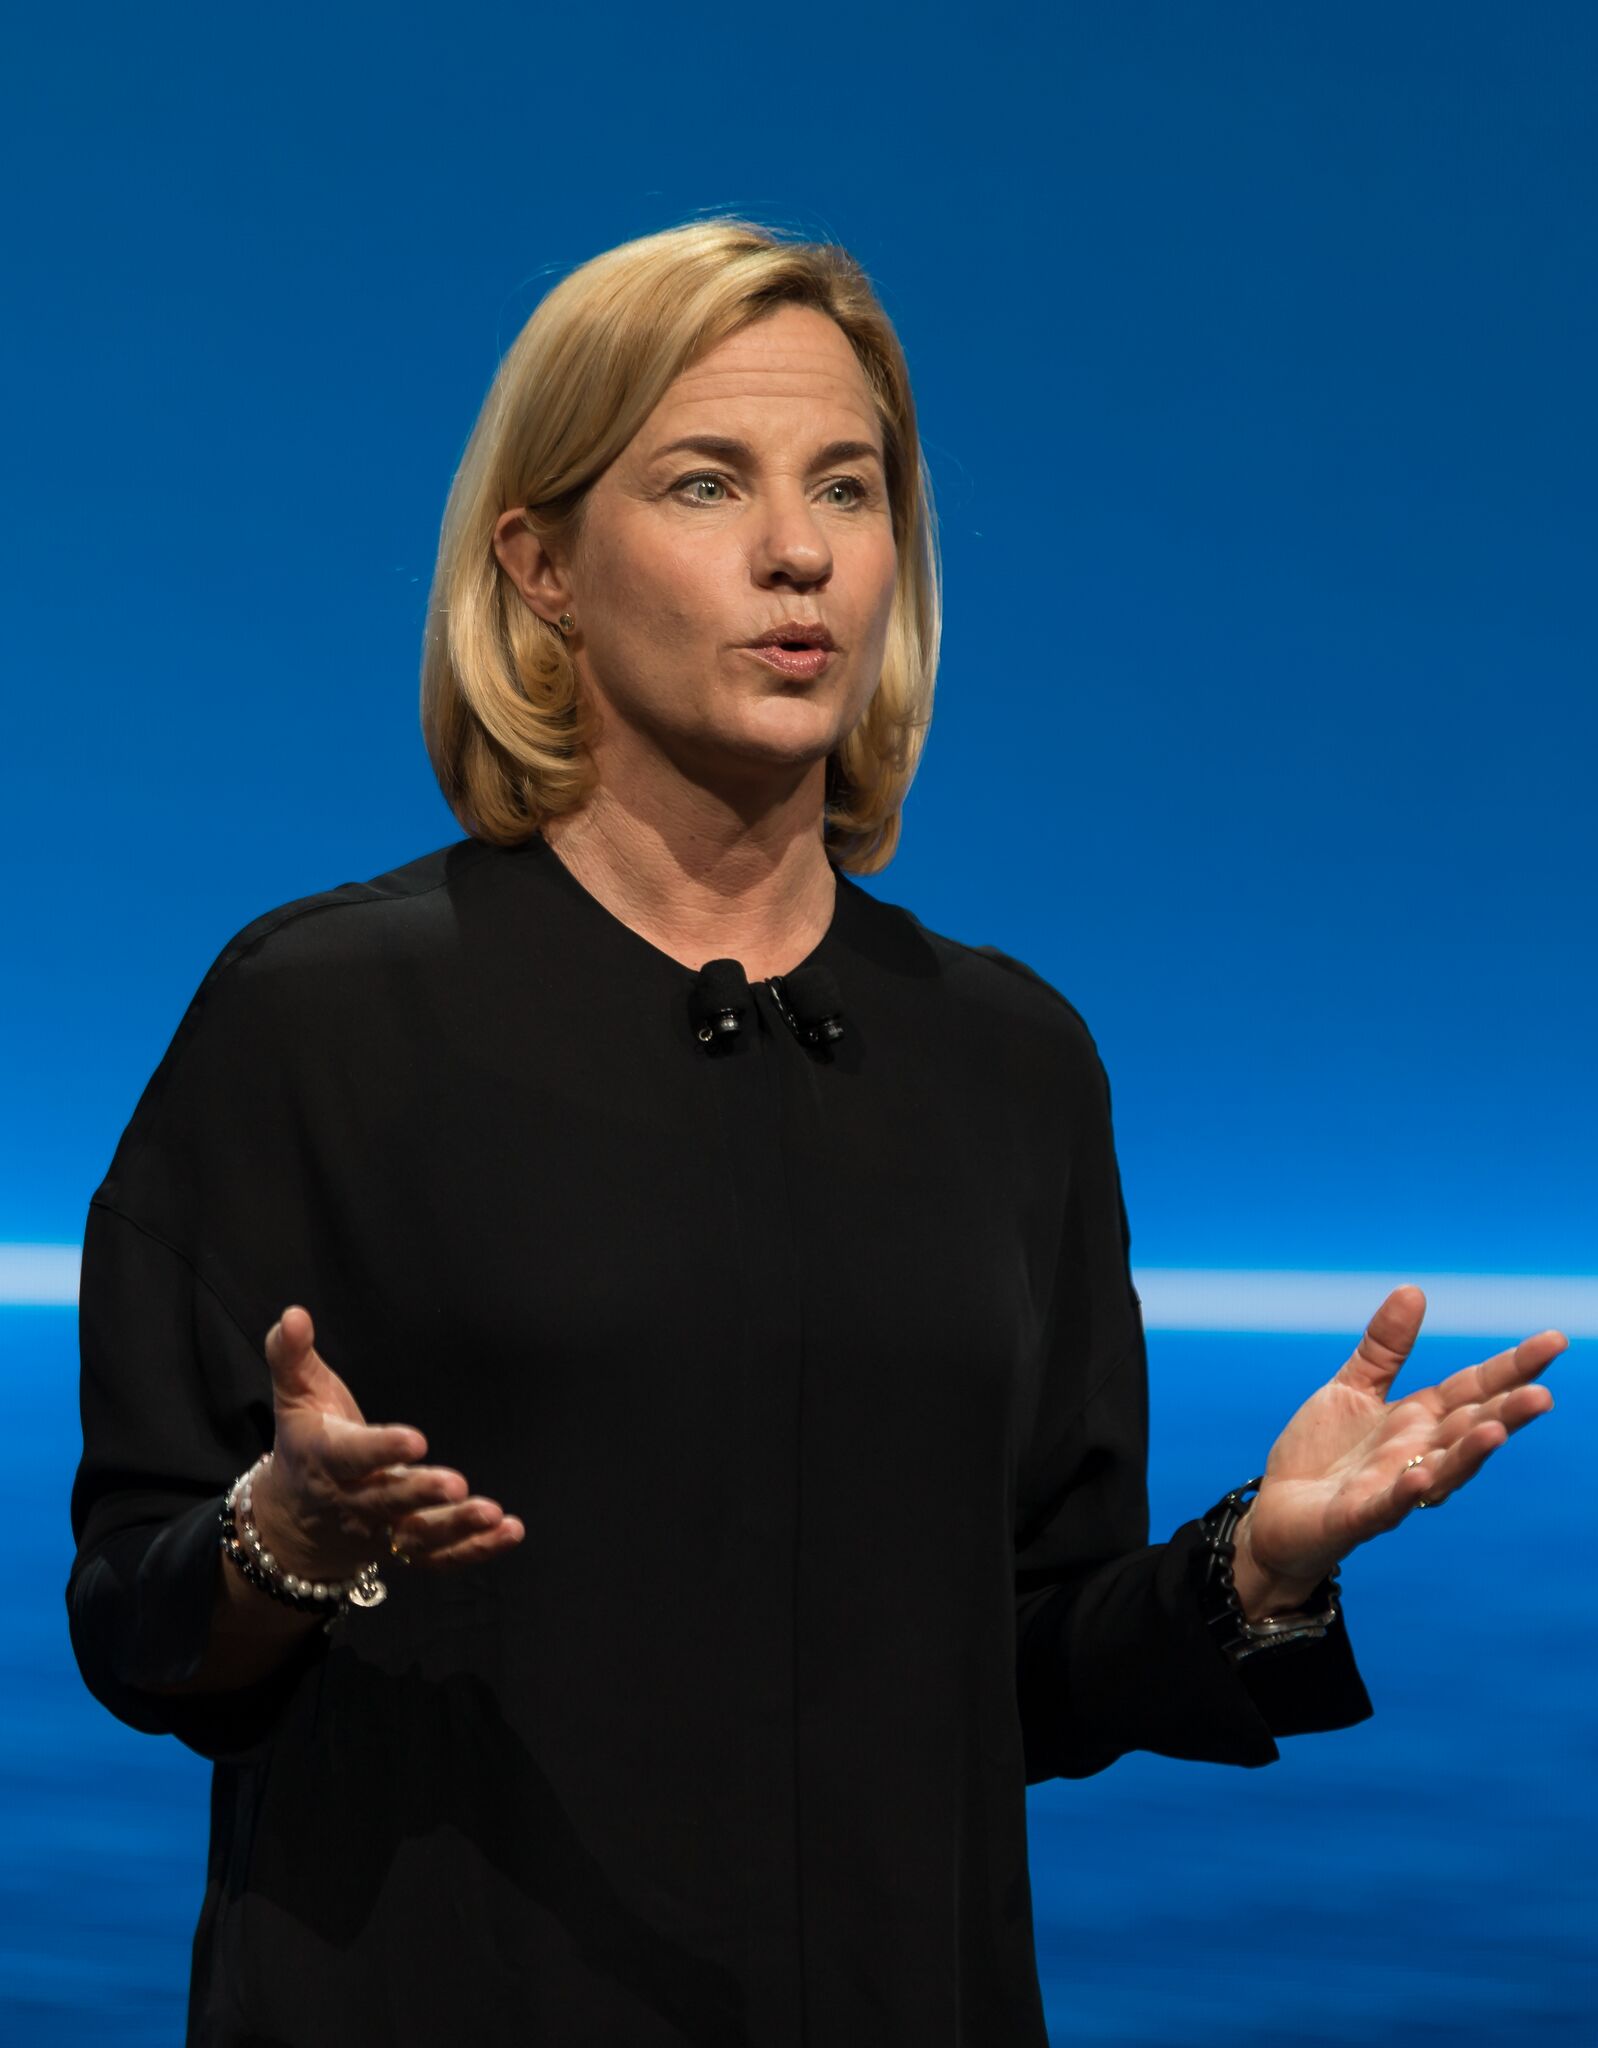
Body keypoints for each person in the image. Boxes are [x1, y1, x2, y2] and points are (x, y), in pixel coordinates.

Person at [67, 218, 1565, 2048]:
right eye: (708, 482)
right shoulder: (321, 1013)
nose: (799, 550)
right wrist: (283, 1535)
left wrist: (1249, 1569)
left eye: (847, 489)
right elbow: (135, 1623)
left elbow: (1021, 1665)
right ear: (540, 564)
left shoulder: (1010, 1059)